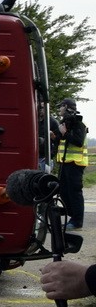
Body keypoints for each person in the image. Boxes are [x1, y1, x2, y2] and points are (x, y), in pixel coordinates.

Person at [51, 97, 88, 230]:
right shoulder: (65, 123)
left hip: (76, 164)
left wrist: (64, 133)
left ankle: (77, 222)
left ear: (66, 107)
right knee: (64, 192)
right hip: (65, 162)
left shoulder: (79, 124)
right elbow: (59, 139)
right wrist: (55, 136)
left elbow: (78, 142)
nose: (59, 109)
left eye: (61, 106)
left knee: (74, 192)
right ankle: (71, 217)